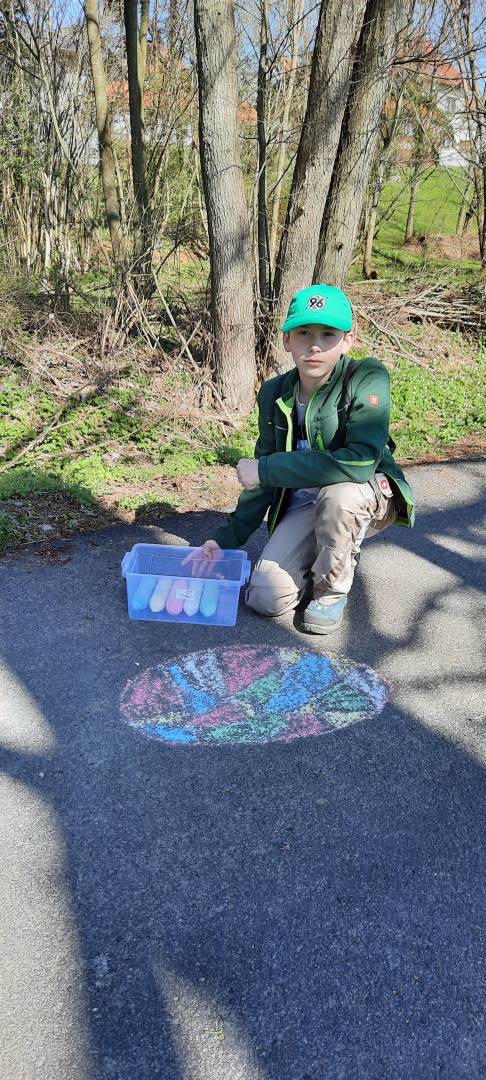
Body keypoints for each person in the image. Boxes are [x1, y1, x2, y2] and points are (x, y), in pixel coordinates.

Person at [182, 283, 415, 634]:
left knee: (340, 497)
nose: (315, 344)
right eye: (303, 332)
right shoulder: (274, 392)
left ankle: (331, 590)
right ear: (287, 340)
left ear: (347, 340)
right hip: (307, 500)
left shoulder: (366, 377)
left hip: (364, 492)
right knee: (264, 597)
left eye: (328, 333)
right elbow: (264, 474)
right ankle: (323, 553)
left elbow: (360, 461)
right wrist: (224, 539)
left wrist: (265, 470)